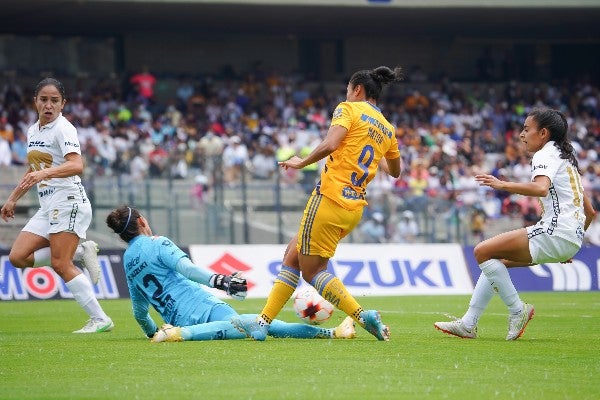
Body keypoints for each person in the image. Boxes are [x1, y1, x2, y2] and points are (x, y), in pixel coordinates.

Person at [232, 66, 403, 341]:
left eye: (349, 89)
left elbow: (332, 143)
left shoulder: (348, 108)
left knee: (313, 272)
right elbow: (395, 171)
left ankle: (362, 316)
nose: (347, 94)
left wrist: (302, 162)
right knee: (292, 254)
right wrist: (375, 151)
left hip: (329, 198)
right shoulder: (387, 128)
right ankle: (262, 323)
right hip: (353, 208)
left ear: (357, 89)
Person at [435, 108, 596, 340]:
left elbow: (540, 188)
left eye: (526, 129)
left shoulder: (545, 154)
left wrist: (502, 185)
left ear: (543, 133)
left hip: (555, 231)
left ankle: (518, 310)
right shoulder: (565, 159)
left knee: (481, 251)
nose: (522, 134)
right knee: (495, 260)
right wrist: (572, 240)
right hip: (570, 238)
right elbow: (589, 211)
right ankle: (468, 323)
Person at [105, 205, 356, 342]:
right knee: (257, 324)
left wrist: (151, 331)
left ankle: (177, 332)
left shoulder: (128, 261)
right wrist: (221, 281)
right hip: (205, 308)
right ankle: (333, 333)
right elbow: (187, 269)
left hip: (179, 317)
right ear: (141, 223)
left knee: (253, 324)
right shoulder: (157, 243)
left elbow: (139, 312)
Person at [0, 77, 113, 333]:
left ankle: (100, 319)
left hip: (69, 200)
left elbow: (77, 165)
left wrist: (45, 174)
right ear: (35, 102)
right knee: (18, 257)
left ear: (63, 104)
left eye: (54, 101)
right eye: (43, 100)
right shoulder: (33, 130)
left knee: (61, 264)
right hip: (48, 204)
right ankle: (79, 253)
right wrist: (13, 198)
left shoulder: (64, 128)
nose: (48, 105)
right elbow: (34, 167)